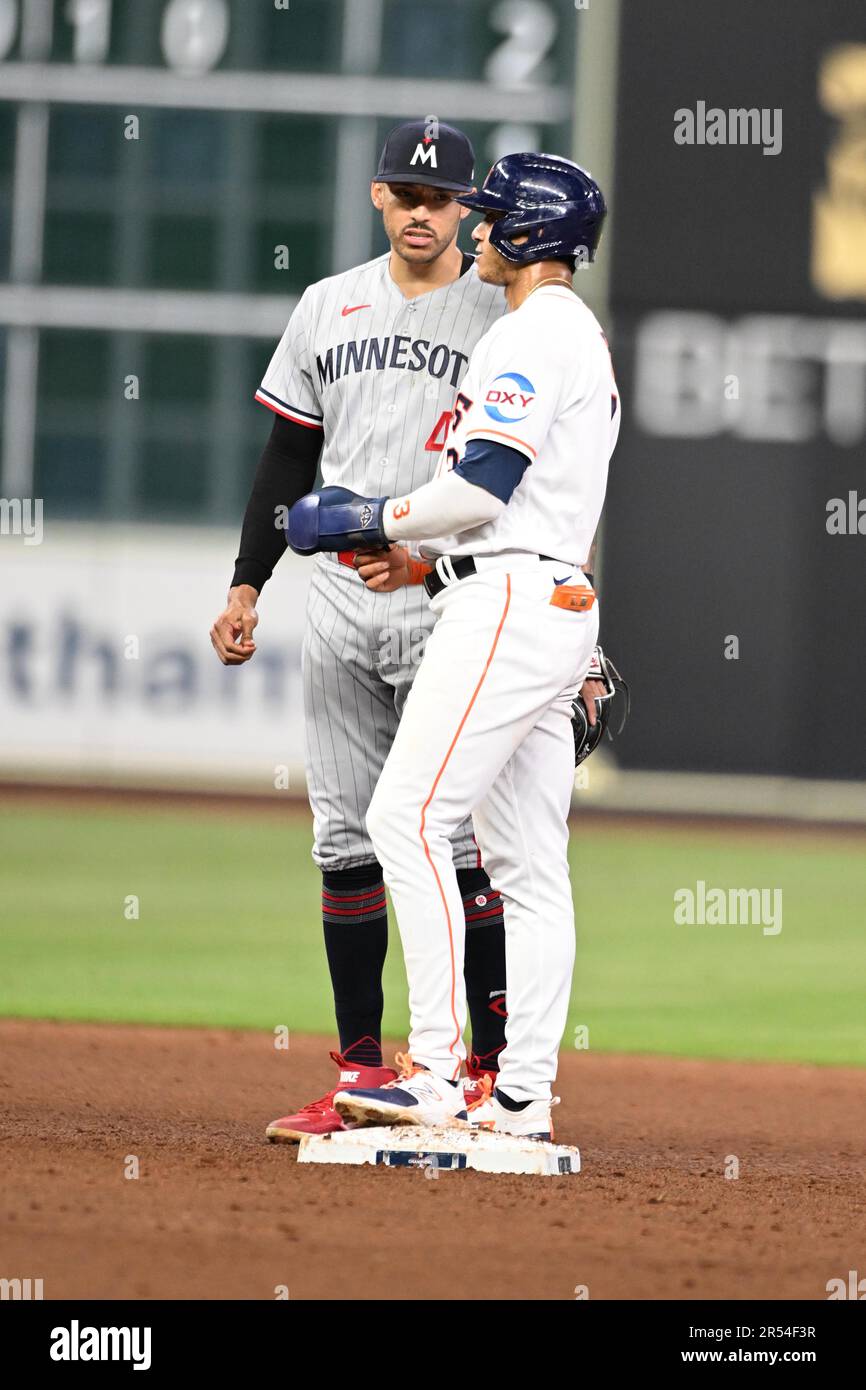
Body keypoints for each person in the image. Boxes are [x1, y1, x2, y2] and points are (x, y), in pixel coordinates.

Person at [287, 152, 620, 1141]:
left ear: (528, 235)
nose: (475, 230)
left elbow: (481, 488)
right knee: (528, 863)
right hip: (549, 594)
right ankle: (520, 1096)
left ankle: (431, 1076)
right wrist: (422, 560)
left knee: (406, 819)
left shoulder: (528, 332)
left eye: (490, 218)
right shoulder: (581, 337)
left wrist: (374, 512)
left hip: (510, 603)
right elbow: (516, 506)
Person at [211, 121, 516, 1140]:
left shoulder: (503, 313)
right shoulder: (325, 305)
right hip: (340, 604)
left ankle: (482, 1075)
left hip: (451, 599)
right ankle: (357, 1075)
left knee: (455, 840)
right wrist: (247, 582)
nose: (423, 210)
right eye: (405, 191)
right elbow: (284, 460)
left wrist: (431, 554)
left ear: (467, 206)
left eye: (441, 197)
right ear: (379, 196)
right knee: (344, 839)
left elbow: (519, 477)